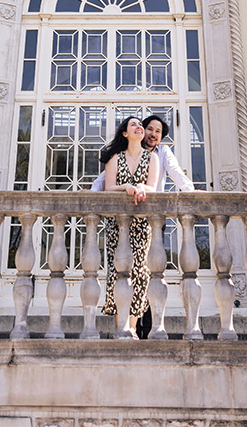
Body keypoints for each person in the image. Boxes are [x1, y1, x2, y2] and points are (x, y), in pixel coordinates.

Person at [99, 115, 162, 338]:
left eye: (140, 125)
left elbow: (153, 187)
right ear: (125, 133)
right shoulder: (115, 158)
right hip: (118, 224)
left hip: (142, 224)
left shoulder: (152, 158)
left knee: (140, 273)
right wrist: (126, 186)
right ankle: (121, 326)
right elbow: (108, 188)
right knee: (118, 272)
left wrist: (142, 188)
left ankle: (132, 327)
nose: (139, 127)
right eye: (133, 124)